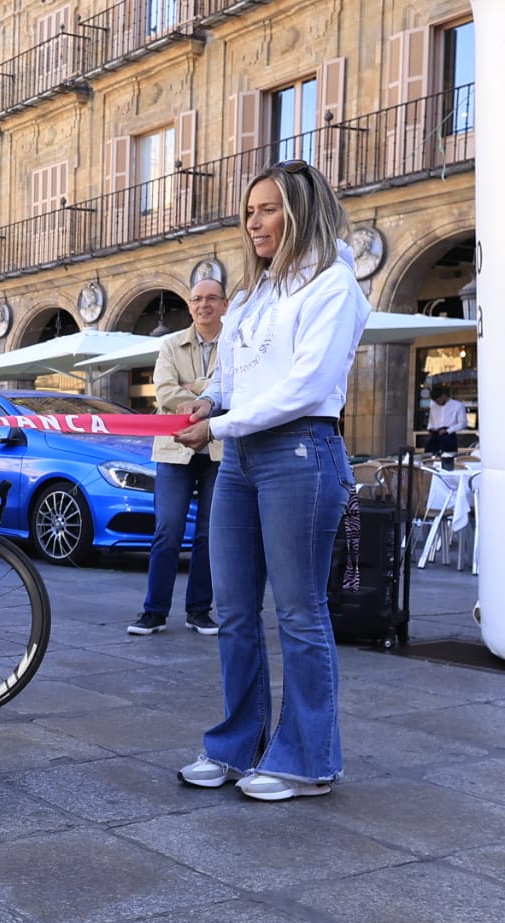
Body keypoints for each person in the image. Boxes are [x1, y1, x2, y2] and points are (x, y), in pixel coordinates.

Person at [173, 160, 370, 802]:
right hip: (241, 457)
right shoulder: (254, 294)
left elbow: (307, 386)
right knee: (233, 610)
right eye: (249, 212)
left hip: (301, 451)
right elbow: (238, 377)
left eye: (267, 209)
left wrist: (220, 424)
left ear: (300, 211)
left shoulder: (334, 285)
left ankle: (309, 761)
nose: (253, 223)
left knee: (299, 611)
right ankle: (237, 746)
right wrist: (212, 400)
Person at [128, 278, 226, 637]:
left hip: (219, 446)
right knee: (167, 529)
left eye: (211, 298)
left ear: (224, 304)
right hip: (174, 447)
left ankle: (199, 611)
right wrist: (209, 394)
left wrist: (194, 389)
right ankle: (154, 612)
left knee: (209, 534)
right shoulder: (170, 344)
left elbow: (236, 390)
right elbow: (166, 392)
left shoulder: (236, 344)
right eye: (197, 299)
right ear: (189, 306)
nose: (204, 305)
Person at [424, 384, 466, 455]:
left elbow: (463, 423)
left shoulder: (457, 405)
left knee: (448, 455)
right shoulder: (433, 407)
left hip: (449, 435)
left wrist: (448, 430)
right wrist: (430, 429)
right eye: (436, 401)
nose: (438, 402)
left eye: (439, 400)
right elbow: (431, 422)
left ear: (444, 395)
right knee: (429, 455)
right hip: (435, 435)